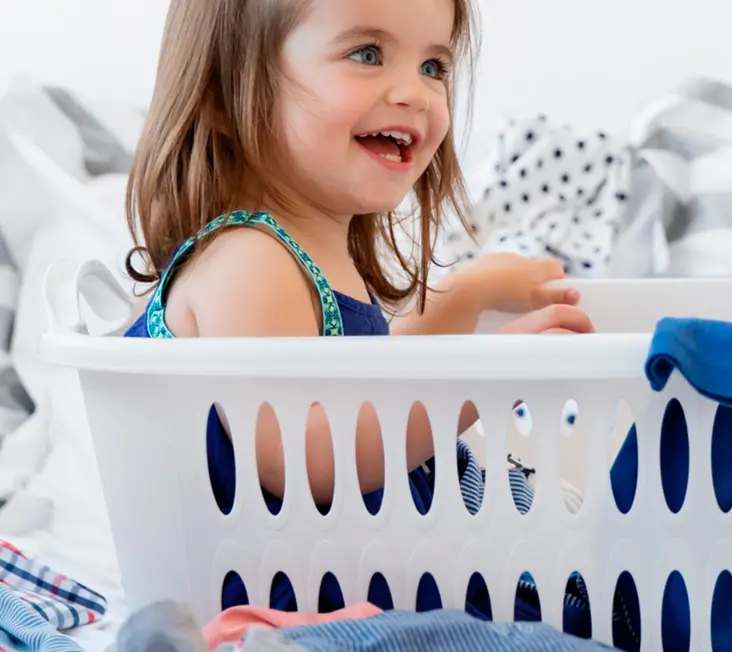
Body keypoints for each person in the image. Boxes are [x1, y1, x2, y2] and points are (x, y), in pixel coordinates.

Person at [121, 0, 612, 628]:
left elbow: (365, 389)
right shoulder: (249, 259)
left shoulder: (303, 254)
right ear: (225, 94)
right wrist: (490, 378)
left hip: (375, 588)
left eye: (435, 65)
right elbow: (312, 459)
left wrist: (462, 297)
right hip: (312, 613)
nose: (415, 92)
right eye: (367, 54)